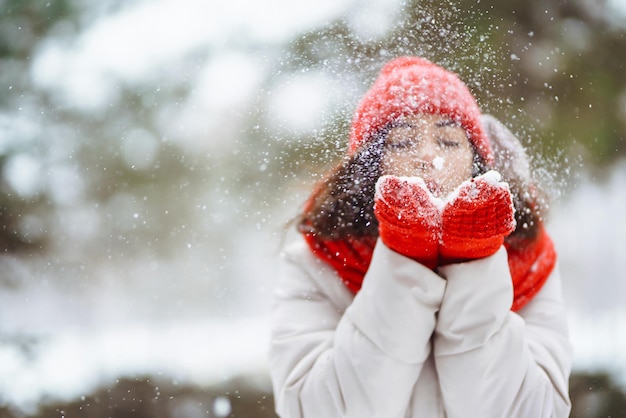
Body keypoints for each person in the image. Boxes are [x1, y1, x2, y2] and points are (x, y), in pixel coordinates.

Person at [268, 56, 572, 418]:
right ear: (370, 166)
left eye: (447, 140)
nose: (427, 156)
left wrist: (474, 260)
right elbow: (316, 410)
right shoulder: (315, 263)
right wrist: (404, 257)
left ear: (476, 161)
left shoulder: (529, 262)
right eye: (401, 143)